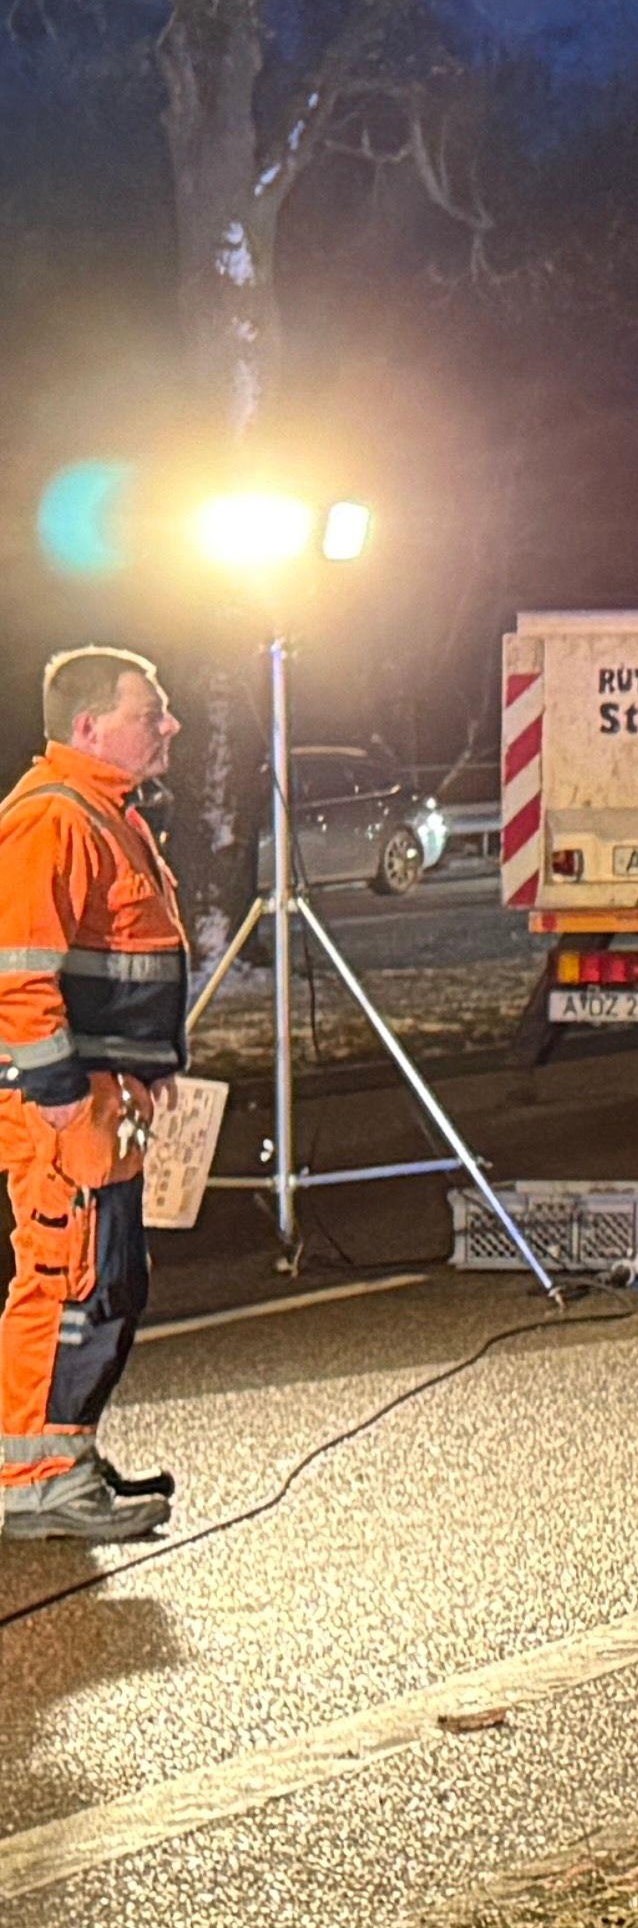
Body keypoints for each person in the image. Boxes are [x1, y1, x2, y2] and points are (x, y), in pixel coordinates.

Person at [0, 646, 191, 1546]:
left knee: (102, 1281)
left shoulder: (106, 815)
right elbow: (17, 978)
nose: (169, 726)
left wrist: (142, 1071)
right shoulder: (55, 820)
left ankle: (61, 1454)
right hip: (64, 1108)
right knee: (67, 1282)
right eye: (149, 712)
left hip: (100, 1099)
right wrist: (65, 1099)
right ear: (89, 726)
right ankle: (37, 1476)